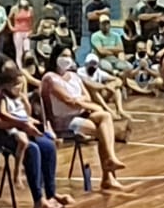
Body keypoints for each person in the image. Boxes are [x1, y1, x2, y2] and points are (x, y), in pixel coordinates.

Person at [0, 54, 64, 208]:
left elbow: (22, 112)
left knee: (47, 145)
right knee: (31, 149)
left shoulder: (6, 87)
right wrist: (23, 125)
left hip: (10, 126)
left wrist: (25, 109)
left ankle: (51, 194)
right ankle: (38, 200)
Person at [39, 45, 127, 191]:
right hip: (64, 122)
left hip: (80, 114)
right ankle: (107, 176)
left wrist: (80, 101)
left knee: (105, 117)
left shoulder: (74, 76)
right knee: (102, 131)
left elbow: (86, 96)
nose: (66, 59)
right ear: (55, 57)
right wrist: (83, 103)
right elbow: (68, 101)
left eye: (69, 56)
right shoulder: (49, 78)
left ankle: (110, 159)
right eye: (63, 55)